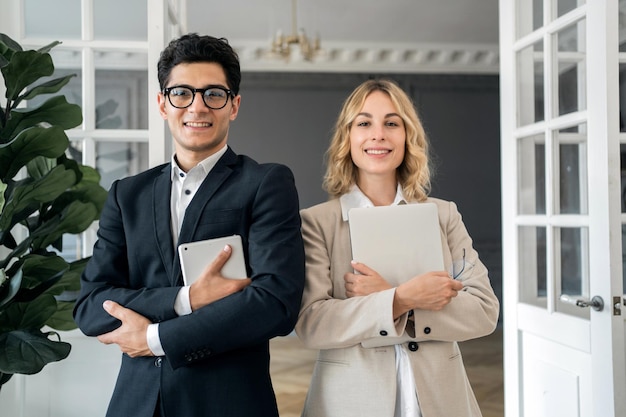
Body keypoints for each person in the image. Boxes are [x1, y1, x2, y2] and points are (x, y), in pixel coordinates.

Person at [73, 33, 305, 417]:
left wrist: (156, 337)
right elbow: (90, 305)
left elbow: (275, 303)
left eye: (213, 94)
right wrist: (187, 300)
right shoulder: (125, 195)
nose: (197, 106)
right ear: (163, 104)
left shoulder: (266, 183)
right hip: (136, 404)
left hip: (227, 404)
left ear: (234, 106)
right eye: (182, 93)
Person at [295, 79, 499, 417]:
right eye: (364, 123)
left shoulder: (443, 214)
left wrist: (393, 297)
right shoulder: (317, 223)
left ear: (408, 137)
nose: (378, 134)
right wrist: (402, 298)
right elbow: (312, 323)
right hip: (349, 402)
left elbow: (484, 310)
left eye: (392, 123)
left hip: (441, 399)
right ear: (348, 138)